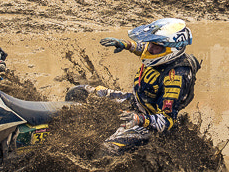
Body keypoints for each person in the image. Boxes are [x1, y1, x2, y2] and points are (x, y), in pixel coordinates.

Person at [81, 18, 202, 158]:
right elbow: (145, 49)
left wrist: (139, 119)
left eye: (155, 46)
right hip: (135, 101)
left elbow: (167, 121)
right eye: (150, 44)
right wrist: (126, 44)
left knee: (106, 151)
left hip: (148, 122)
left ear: (171, 50)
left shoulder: (175, 79)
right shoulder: (161, 53)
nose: (149, 49)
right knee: (80, 92)